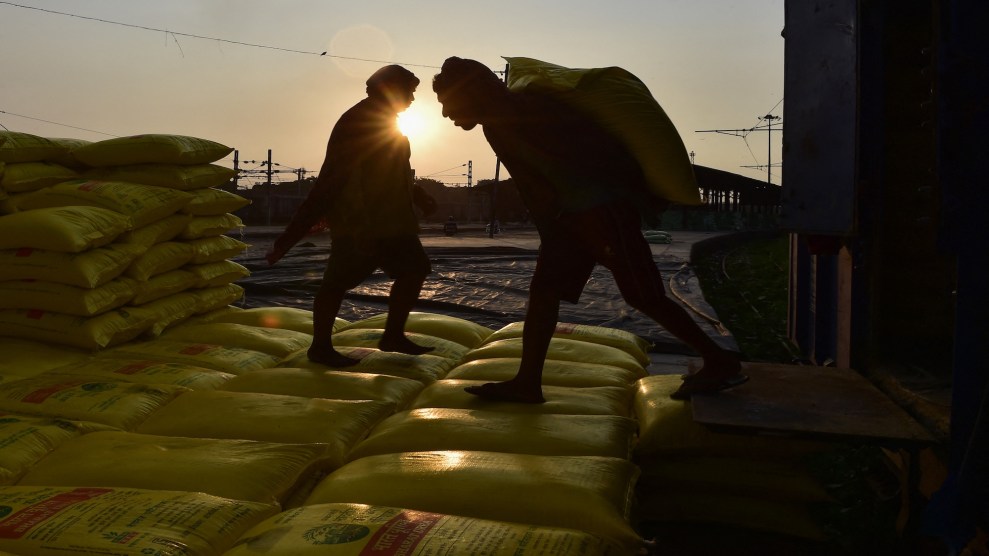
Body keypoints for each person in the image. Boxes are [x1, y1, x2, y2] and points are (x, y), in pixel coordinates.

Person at [432, 56, 745, 402]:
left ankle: (719, 360)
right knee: (544, 295)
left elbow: (600, 152)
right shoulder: (497, 125)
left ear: (472, 91)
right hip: (567, 221)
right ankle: (527, 382)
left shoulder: (529, 110)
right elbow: (537, 184)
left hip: (602, 214)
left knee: (643, 294)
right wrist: (552, 226)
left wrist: (638, 197)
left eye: (448, 103)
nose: (446, 114)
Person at [266, 64, 437, 367]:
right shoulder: (359, 122)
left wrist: (420, 196)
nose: (412, 98)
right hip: (363, 221)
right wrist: (360, 226)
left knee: (415, 269)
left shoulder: (388, 123)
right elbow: (347, 177)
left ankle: (393, 335)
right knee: (336, 282)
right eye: (408, 91)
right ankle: (320, 347)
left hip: (394, 221)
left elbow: (394, 172)